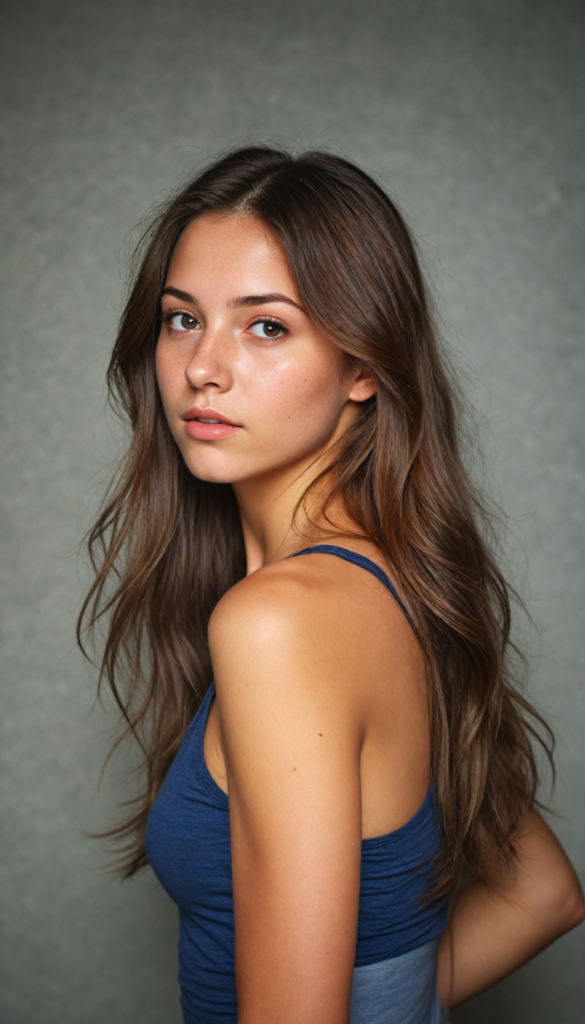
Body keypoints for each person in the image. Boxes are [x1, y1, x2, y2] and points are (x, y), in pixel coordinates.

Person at [79, 147, 584, 1024]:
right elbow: (541, 892)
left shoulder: (279, 625)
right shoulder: (398, 589)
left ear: (364, 367)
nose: (204, 366)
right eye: (181, 319)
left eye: (266, 326)